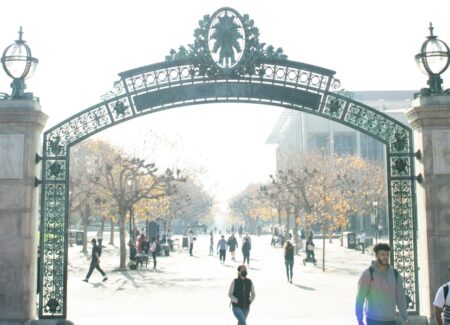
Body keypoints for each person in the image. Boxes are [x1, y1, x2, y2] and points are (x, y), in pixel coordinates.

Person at [355, 243, 409, 325]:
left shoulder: (395, 274)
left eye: (387, 254)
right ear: (376, 256)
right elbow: (360, 298)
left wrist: (405, 318)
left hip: (390, 319)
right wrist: (359, 319)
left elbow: (400, 298)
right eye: (382, 254)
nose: (385, 257)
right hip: (373, 319)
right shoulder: (368, 274)